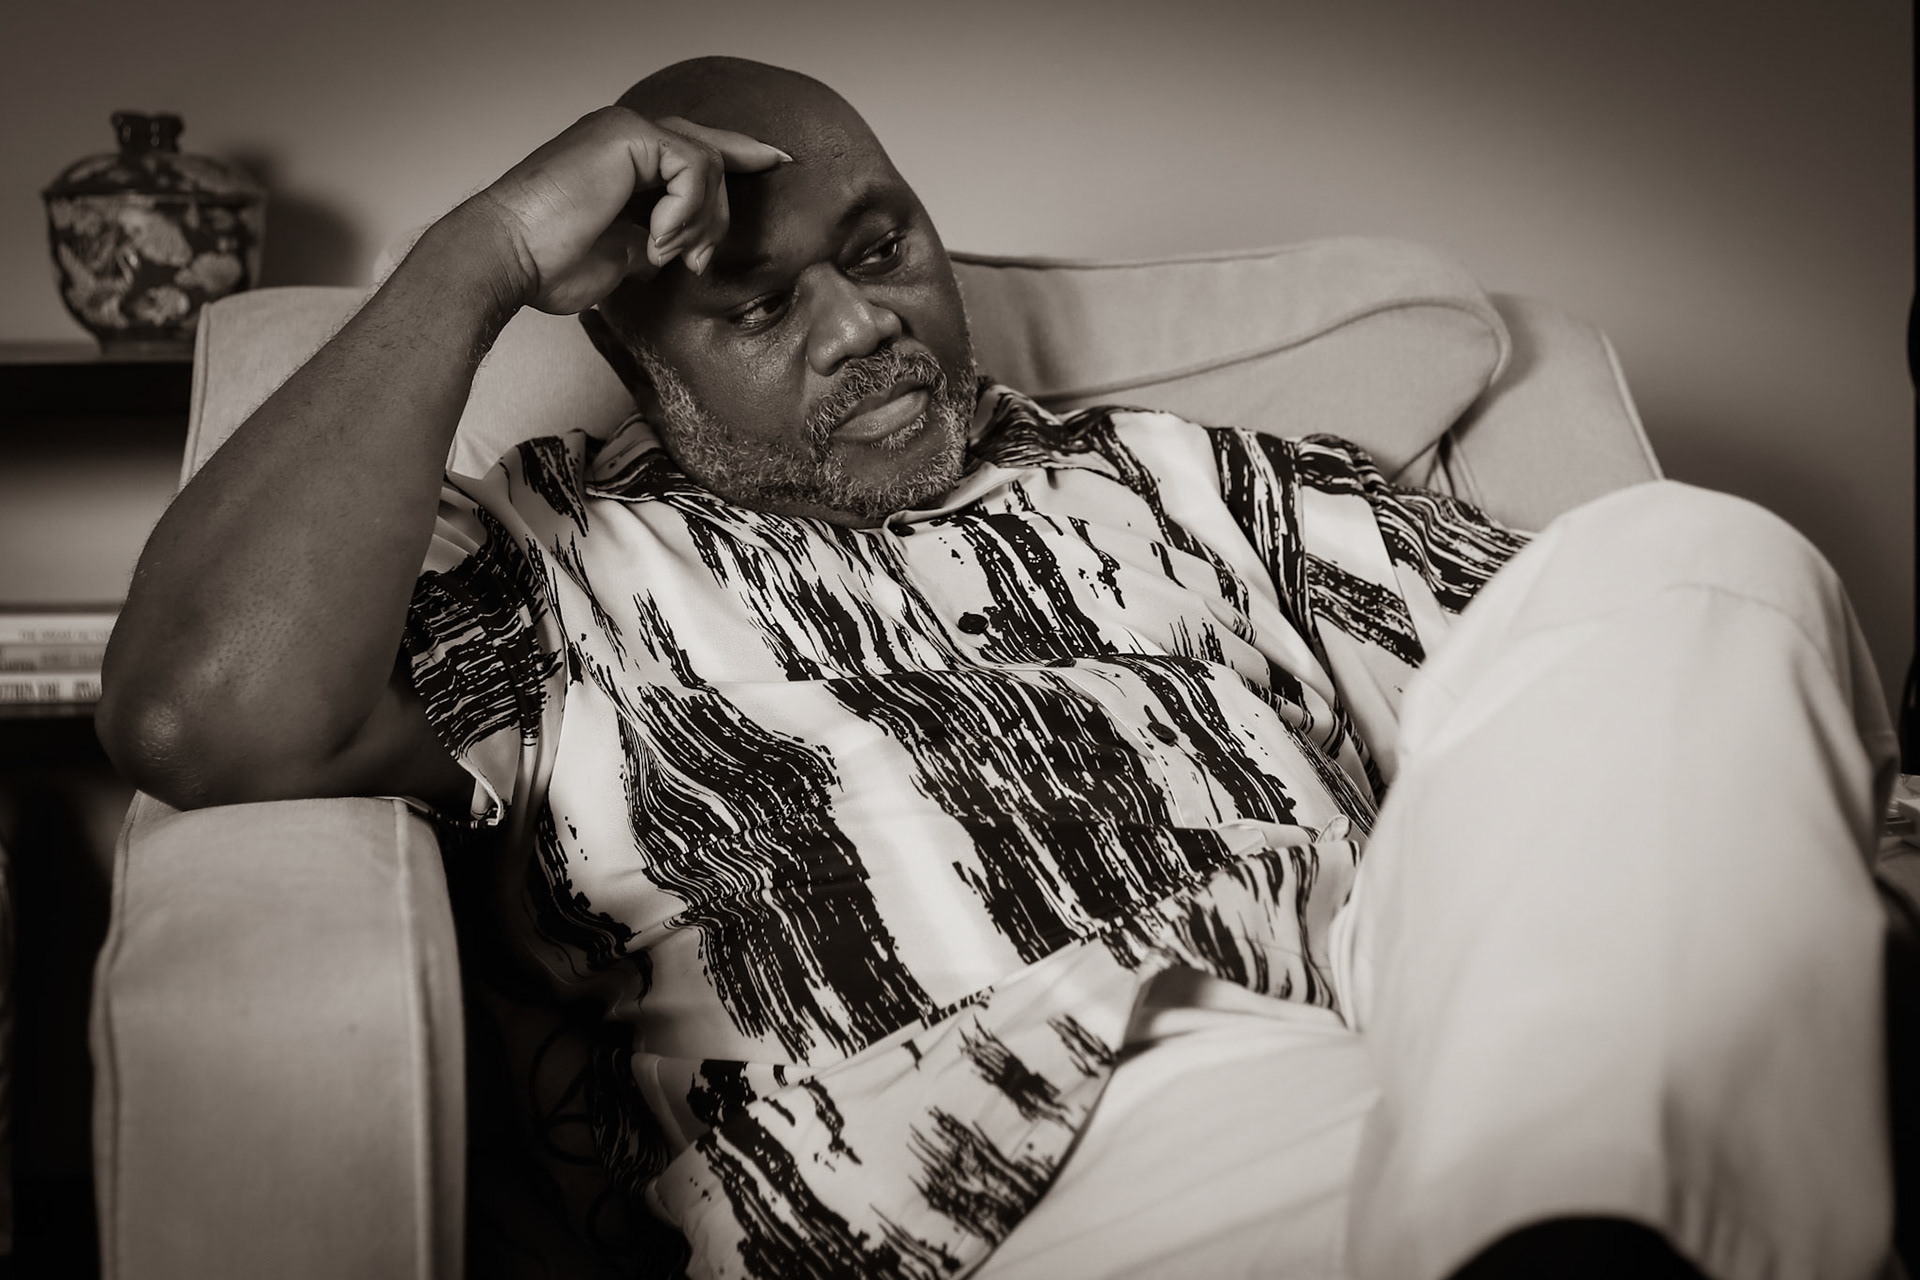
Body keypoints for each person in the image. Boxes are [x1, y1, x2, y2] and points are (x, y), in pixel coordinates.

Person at [97, 56, 1907, 1280]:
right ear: (647, 370)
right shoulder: (554, 561)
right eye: (761, 304)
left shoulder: (1188, 478)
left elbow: (1615, 716)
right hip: (997, 1143)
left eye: (880, 248)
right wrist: (486, 249)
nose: (866, 323)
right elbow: (198, 713)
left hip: (1423, 1022)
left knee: (1695, 556)